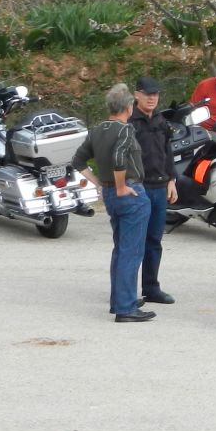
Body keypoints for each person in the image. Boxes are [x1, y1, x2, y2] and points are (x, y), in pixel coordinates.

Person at [73, 83, 154, 323]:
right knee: (132, 251)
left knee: (120, 249)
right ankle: (125, 307)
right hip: (129, 192)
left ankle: (120, 299)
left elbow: (78, 161)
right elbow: (120, 157)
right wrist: (120, 186)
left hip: (110, 193)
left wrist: (100, 182)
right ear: (129, 107)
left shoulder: (97, 130)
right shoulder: (125, 130)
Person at [128, 76, 177, 307]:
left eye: (155, 94)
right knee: (133, 243)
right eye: (147, 94)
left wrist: (171, 180)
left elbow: (168, 152)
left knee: (154, 241)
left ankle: (151, 288)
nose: (152, 98)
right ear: (136, 94)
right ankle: (126, 292)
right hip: (138, 187)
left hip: (159, 187)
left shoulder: (160, 120)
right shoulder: (129, 121)